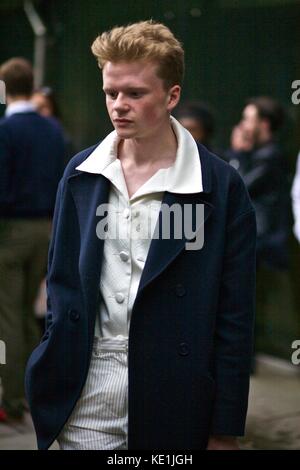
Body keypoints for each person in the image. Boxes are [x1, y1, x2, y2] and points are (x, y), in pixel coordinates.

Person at [25, 21, 256, 450]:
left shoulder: (219, 185)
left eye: (135, 93)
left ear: (172, 96)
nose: (118, 106)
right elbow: (62, 281)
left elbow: (235, 314)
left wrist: (224, 426)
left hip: (176, 387)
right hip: (87, 386)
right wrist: (53, 358)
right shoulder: (81, 173)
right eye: (111, 93)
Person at [0, 58, 65, 423]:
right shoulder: (53, 130)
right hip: (47, 228)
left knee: (7, 315)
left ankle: (11, 399)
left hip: (12, 231)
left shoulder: (6, 131)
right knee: (28, 312)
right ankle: (31, 390)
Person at [225, 97, 290, 270]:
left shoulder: (269, 157)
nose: (242, 125)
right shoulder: (256, 155)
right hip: (258, 245)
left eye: (248, 119)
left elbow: (237, 188)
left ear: (264, 125)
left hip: (266, 249)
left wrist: (237, 153)